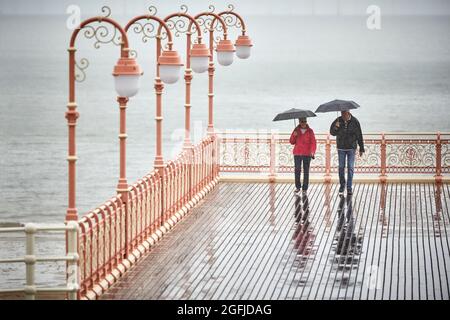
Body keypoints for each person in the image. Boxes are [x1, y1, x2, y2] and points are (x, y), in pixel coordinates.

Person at [330, 110, 365, 196]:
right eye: (342, 113)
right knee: (341, 167)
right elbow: (332, 133)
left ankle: (349, 187)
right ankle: (342, 186)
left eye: (344, 113)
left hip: (351, 148)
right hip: (341, 148)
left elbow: (359, 135)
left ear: (348, 112)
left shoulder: (355, 121)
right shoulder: (337, 120)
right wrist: (336, 127)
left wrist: (361, 148)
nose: (343, 115)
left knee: (350, 167)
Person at [290, 117, 317, 195]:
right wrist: (294, 135)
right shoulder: (296, 130)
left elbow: (313, 142)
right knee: (297, 170)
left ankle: (305, 188)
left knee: (306, 171)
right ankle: (298, 187)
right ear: (299, 122)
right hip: (297, 153)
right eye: (302, 121)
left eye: (305, 121)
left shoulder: (310, 131)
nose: (303, 123)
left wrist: (312, 151)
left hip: (307, 154)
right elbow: (291, 142)